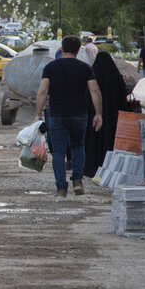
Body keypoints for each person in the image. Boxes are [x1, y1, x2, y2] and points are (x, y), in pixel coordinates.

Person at [35, 35, 103, 198]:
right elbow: (94, 90)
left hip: (57, 115)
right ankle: (77, 180)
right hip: (79, 114)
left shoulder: (50, 67)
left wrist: (37, 114)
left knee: (58, 152)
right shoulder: (85, 68)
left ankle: (61, 188)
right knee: (78, 146)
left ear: (62, 49)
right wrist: (98, 113)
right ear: (78, 49)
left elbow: (43, 91)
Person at [84, 52, 129, 178]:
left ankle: (90, 168)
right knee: (110, 140)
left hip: (94, 116)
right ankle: (108, 169)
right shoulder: (116, 77)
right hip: (112, 117)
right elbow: (123, 99)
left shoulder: (92, 76)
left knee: (93, 140)